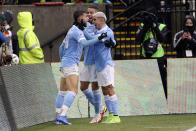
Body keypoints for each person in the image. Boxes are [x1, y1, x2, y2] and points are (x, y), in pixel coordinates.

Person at [55, 10, 107, 125]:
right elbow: (85, 44)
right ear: (80, 18)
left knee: (62, 92)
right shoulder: (77, 31)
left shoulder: (72, 29)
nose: (88, 18)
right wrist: (99, 38)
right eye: (85, 16)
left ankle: (58, 116)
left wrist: (62, 61)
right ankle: (62, 116)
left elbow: (61, 47)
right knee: (73, 91)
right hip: (71, 64)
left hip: (65, 64)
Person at [83, 12, 120, 123]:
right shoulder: (98, 30)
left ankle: (116, 116)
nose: (93, 22)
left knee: (109, 88)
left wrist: (82, 30)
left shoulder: (107, 32)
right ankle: (111, 115)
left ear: (101, 20)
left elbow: (92, 38)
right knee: (104, 90)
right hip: (99, 65)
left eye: (95, 20)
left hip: (105, 64)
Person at [79, 6, 107, 124]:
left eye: (92, 13)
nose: (89, 14)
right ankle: (100, 107)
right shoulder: (86, 26)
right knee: (83, 87)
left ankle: (97, 115)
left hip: (96, 62)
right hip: (87, 61)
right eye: (88, 13)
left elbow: (94, 39)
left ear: (97, 15)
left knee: (95, 86)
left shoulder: (99, 28)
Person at [136, 9, 170, 99]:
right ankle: (147, 100)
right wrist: (145, 27)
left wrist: (155, 26)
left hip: (159, 57)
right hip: (145, 56)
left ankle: (164, 99)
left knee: (162, 80)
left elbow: (163, 40)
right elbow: (137, 40)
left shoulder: (162, 26)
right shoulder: (142, 25)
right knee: (146, 80)